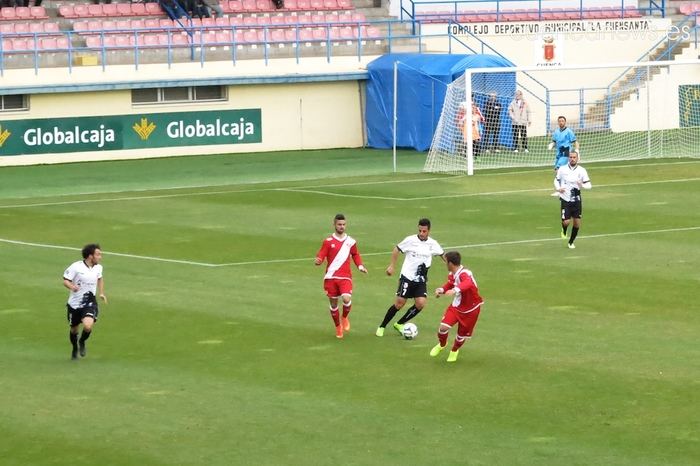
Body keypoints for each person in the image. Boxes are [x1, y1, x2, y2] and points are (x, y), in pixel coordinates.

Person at [376, 218, 445, 337]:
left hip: (421, 280)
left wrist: (454, 267)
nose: (421, 233)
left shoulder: (433, 244)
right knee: (399, 303)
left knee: (421, 303)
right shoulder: (410, 240)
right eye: (420, 231)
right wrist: (392, 266)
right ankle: (382, 326)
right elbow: (396, 249)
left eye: (424, 231)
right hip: (407, 277)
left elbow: (443, 255)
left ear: (429, 231)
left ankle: (400, 323)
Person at [315, 214, 368, 339]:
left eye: (343, 224)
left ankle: (344, 317)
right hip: (331, 277)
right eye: (339, 224)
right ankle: (338, 327)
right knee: (333, 304)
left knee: (346, 299)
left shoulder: (351, 242)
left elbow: (355, 254)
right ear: (334, 225)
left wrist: (360, 266)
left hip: (345, 277)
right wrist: (318, 260)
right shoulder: (328, 242)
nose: (341, 227)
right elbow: (321, 254)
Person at [430, 251, 483, 363]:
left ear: (450, 263)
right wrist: (442, 290)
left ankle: (454, 350)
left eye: (446, 262)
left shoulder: (465, 273)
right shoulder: (452, 274)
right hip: (456, 307)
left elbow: (467, 283)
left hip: (471, 310)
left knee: (461, 336)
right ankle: (442, 344)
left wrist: (455, 290)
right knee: (443, 328)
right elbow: (450, 283)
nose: (445, 264)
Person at [63, 243, 108, 360]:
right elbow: (66, 280)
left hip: (90, 302)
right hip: (74, 304)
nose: (100, 257)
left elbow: (100, 278)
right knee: (74, 329)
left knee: (88, 326)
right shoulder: (76, 267)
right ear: (90, 256)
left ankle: (82, 341)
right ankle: (74, 347)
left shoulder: (98, 268)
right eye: (98, 254)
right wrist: (72, 287)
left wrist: (101, 293)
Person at [554, 151, 592, 249]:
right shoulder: (562, 169)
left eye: (574, 157)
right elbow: (556, 180)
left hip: (576, 200)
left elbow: (589, 185)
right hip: (565, 198)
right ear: (568, 158)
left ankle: (571, 242)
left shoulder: (582, 170)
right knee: (566, 221)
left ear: (577, 158)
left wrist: (582, 185)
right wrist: (558, 188)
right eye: (570, 157)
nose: (572, 159)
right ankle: (564, 229)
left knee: (577, 222)